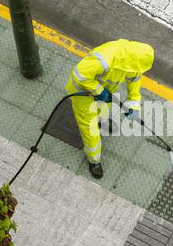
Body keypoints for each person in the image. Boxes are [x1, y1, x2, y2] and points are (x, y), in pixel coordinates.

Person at [65, 39, 155, 179]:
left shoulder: (132, 61)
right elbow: (79, 75)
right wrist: (99, 90)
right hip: (83, 95)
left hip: (103, 95)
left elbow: (134, 80)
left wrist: (133, 102)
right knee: (90, 129)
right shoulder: (105, 58)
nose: (138, 72)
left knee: (102, 112)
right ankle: (94, 161)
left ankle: (100, 121)